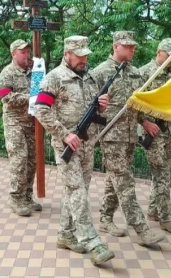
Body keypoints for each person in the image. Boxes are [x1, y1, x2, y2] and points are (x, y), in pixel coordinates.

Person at [34, 35, 115, 266]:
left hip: (87, 144)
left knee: (78, 191)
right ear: (66, 54)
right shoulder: (54, 78)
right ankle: (92, 242)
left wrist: (101, 105)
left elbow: (94, 109)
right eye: (79, 56)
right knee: (77, 190)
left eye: (85, 55)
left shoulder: (89, 78)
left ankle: (65, 234)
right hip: (65, 145)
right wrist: (64, 133)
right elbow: (41, 109)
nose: (83, 59)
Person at [91, 31, 165, 246]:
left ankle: (105, 218)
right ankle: (141, 229)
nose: (132, 49)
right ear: (115, 46)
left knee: (114, 180)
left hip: (131, 134)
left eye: (134, 46)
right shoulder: (100, 72)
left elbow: (138, 103)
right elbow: (91, 105)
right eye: (128, 46)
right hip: (111, 135)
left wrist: (144, 121)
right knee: (124, 181)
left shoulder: (135, 73)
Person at [139, 38, 171, 233]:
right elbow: (134, 102)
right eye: (169, 56)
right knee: (161, 173)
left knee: (168, 172)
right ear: (159, 52)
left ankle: (153, 210)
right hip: (154, 132)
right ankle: (166, 217)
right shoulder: (144, 73)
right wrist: (144, 121)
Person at [0, 39, 41, 216]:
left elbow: (42, 90)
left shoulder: (34, 72)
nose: (26, 54)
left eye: (27, 51)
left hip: (32, 122)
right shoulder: (6, 74)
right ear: (13, 54)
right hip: (14, 123)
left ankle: (27, 196)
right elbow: (6, 97)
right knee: (20, 159)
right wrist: (31, 98)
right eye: (22, 52)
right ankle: (16, 198)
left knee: (32, 160)